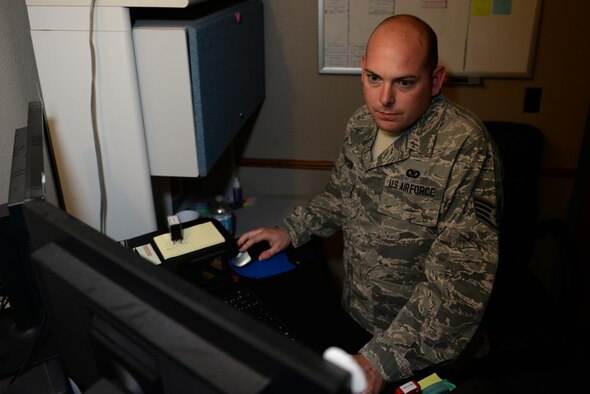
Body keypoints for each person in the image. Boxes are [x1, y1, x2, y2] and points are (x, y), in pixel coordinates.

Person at [238, 14, 502, 393]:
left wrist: (380, 361)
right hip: (361, 319)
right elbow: (341, 195)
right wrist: (291, 230)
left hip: (421, 348)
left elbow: (458, 285)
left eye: (405, 82)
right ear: (362, 68)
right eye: (374, 78)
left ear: (436, 81)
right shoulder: (362, 124)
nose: (385, 99)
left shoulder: (466, 147)